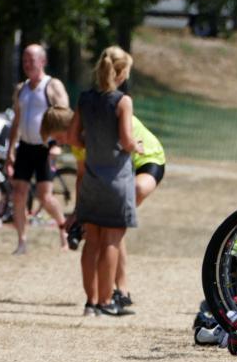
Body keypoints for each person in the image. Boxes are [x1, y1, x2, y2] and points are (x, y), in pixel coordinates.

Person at [41, 105, 166, 309]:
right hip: (121, 171)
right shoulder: (77, 141)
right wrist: (78, 212)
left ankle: (119, 290)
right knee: (112, 225)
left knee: (125, 205)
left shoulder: (96, 127)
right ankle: (120, 291)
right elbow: (82, 177)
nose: (60, 143)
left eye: (59, 137)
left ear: (69, 127)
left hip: (146, 158)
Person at [69, 46, 142, 316]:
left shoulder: (85, 99)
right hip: (116, 180)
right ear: (120, 73)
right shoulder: (122, 101)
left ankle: (90, 303)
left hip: (91, 179)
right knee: (111, 240)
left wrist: (93, 144)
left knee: (92, 241)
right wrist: (136, 146)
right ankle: (105, 301)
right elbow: (126, 140)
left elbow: (73, 137)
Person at [5, 44, 69, 254]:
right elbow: (16, 121)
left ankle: (63, 229)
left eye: (31, 60)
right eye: (24, 60)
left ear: (43, 61)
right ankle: (21, 241)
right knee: (18, 193)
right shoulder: (21, 89)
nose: (27, 64)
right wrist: (10, 151)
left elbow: (64, 116)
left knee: (45, 197)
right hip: (25, 146)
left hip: (45, 148)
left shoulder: (52, 85)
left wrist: (57, 145)